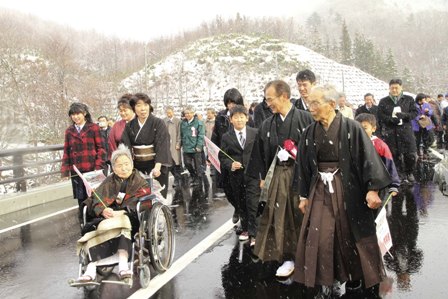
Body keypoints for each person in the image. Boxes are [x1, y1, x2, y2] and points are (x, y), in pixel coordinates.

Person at [293, 85, 392, 297]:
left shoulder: (351, 128)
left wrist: (373, 189)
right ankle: (325, 278)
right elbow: (302, 165)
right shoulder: (310, 132)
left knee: (349, 234)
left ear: (331, 104)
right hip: (320, 188)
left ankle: (355, 277)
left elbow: (368, 160)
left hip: (349, 189)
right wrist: (303, 195)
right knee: (320, 235)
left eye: (315, 103)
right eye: (309, 103)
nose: (310, 108)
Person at [247, 80, 313, 278]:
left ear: (284, 96)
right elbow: (260, 153)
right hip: (277, 176)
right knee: (282, 218)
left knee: (305, 216)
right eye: (266, 100)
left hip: (302, 175)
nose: (268, 104)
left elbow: (315, 149)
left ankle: (310, 255)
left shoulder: (305, 118)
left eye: (270, 99)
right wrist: (262, 176)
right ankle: (289, 257)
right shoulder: (268, 124)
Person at [76, 145, 151, 282]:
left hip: (130, 215)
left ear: (132, 163)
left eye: (127, 164)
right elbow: (94, 200)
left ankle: (122, 263)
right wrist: (102, 210)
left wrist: (123, 211)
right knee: (93, 229)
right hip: (107, 217)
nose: (124, 168)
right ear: (113, 167)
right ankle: (91, 268)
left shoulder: (140, 181)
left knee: (123, 225)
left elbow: (144, 201)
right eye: (119, 165)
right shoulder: (109, 181)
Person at [219, 105, 260, 245]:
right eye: (236, 117)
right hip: (236, 176)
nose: (239, 120)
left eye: (242, 117)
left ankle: (254, 233)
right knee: (241, 203)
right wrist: (230, 164)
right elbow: (222, 156)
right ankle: (246, 228)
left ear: (247, 118)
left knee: (252, 203)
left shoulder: (255, 133)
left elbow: (261, 153)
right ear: (231, 120)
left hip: (253, 174)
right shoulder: (226, 137)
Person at [61, 103, 106, 222]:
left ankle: (96, 219)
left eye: (78, 114)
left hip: (92, 169)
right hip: (76, 170)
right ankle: (83, 220)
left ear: (84, 113)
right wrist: (65, 171)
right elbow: (66, 151)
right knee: (80, 197)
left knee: (94, 195)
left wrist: (98, 166)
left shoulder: (93, 128)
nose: (76, 117)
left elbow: (101, 148)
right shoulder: (69, 131)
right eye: (73, 114)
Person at [121, 93, 171, 198]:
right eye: (139, 105)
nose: (143, 108)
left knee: (158, 197)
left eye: (146, 104)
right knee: (141, 198)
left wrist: (157, 167)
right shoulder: (129, 126)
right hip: (138, 166)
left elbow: (162, 145)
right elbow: (125, 147)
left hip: (156, 165)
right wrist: (127, 166)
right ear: (134, 108)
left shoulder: (158, 123)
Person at [212, 88, 247, 223]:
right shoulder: (221, 117)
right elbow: (215, 136)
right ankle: (237, 207)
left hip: (240, 158)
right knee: (227, 188)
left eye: (234, 102)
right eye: (228, 103)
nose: (231, 105)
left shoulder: (244, 115)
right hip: (225, 158)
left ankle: (242, 214)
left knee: (241, 190)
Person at [378, 79, 418, 183]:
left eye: (396, 88)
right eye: (392, 88)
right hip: (391, 131)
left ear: (401, 88)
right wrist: (390, 119)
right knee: (394, 154)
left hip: (406, 131)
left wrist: (405, 116)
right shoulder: (384, 101)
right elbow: (380, 116)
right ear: (389, 88)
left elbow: (414, 113)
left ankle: (409, 172)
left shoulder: (409, 99)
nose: (394, 90)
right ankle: (399, 174)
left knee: (411, 154)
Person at [356, 113, 400, 196]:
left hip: (378, 185)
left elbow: (389, 164)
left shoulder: (380, 145)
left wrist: (394, 184)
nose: (361, 131)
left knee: (378, 206)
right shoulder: (351, 144)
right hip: (357, 185)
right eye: (358, 128)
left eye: (365, 128)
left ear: (373, 128)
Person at [180, 105, 208, 193]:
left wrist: (199, 146)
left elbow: (201, 135)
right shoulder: (183, 123)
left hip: (195, 148)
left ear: (193, 113)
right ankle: (193, 176)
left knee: (198, 166)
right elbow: (181, 135)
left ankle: (199, 182)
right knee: (187, 163)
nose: (187, 115)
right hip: (186, 148)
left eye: (189, 113)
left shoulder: (199, 123)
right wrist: (180, 144)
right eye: (186, 113)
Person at [108, 94, 135, 160]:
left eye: (125, 110)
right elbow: (111, 145)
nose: (122, 113)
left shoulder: (140, 123)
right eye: (120, 111)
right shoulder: (116, 126)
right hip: (122, 161)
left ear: (133, 109)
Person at [163, 106, 183, 188]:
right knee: (169, 163)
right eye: (167, 113)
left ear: (173, 112)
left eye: (170, 112)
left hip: (175, 144)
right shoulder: (164, 121)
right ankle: (177, 177)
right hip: (167, 145)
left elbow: (179, 133)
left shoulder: (177, 121)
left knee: (176, 162)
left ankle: (177, 179)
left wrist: (178, 143)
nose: (169, 114)